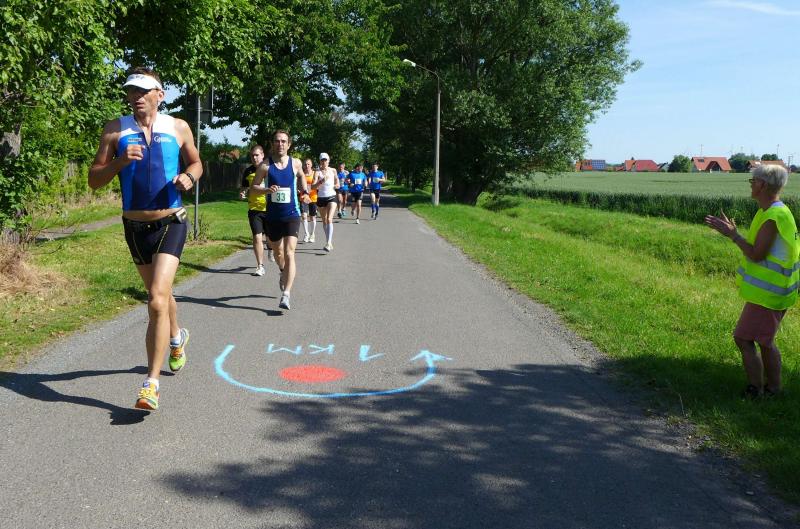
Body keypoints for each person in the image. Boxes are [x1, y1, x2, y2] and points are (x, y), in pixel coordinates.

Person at [88, 67, 202, 411]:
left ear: (159, 95)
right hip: (135, 228)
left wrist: (189, 177)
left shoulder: (178, 126)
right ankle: (176, 337)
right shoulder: (115, 129)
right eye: (131, 91)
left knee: (155, 299)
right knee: (161, 297)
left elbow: (196, 163)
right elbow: (94, 179)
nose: (135, 97)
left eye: (142, 91)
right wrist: (120, 161)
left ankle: (151, 384)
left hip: (171, 221)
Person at [705, 165, 799, 398]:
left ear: (763, 185)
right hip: (773, 290)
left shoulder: (773, 217)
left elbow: (757, 254)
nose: (750, 184)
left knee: (744, 338)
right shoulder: (771, 211)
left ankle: (757, 389)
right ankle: (772, 389)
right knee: (765, 341)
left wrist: (733, 235)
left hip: (769, 293)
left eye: (752, 181)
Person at [250, 130, 310, 310]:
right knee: (278, 253)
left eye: (284, 141)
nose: (280, 144)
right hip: (273, 217)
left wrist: (305, 192)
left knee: (290, 252)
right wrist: (266, 190)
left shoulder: (296, 163)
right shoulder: (265, 166)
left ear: (289, 144)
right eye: (277, 141)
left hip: (292, 214)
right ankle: (283, 271)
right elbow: (254, 187)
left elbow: (301, 177)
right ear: (272, 144)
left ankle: (286, 295)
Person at [240, 145, 272, 275]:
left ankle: (270, 248)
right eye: (252, 155)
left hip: (270, 208)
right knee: (257, 237)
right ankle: (260, 266)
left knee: (270, 238)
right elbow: (243, 188)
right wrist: (242, 193)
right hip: (254, 209)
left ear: (262, 155)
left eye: (257, 155)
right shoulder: (248, 171)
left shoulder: (270, 169)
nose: (254, 158)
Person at [312, 153, 339, 251]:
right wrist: (321, 181)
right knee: (324, 220)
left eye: (325, 160)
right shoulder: (317, 172)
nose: (324, 162)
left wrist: (337, 185)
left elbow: (337, 181)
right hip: (321, 198)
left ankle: (328, 243)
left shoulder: (333, 170)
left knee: (329, 219)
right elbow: (313, 187)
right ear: (320, 161)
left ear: (328, 160)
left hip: (332, 196)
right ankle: (328, 241)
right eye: (322, 160)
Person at [300, 158, 318, 243]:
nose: (307, 166)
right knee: (304, 215)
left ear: (311, 165)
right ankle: (306, 234)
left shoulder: (314, 173)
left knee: (312, 216)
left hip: (312, 197)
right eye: (305, 164)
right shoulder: (301, 174)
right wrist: (299, 189)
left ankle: (312, 234)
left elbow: (315, 184)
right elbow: (298, 184)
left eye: (308, 164)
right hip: (303, 197)